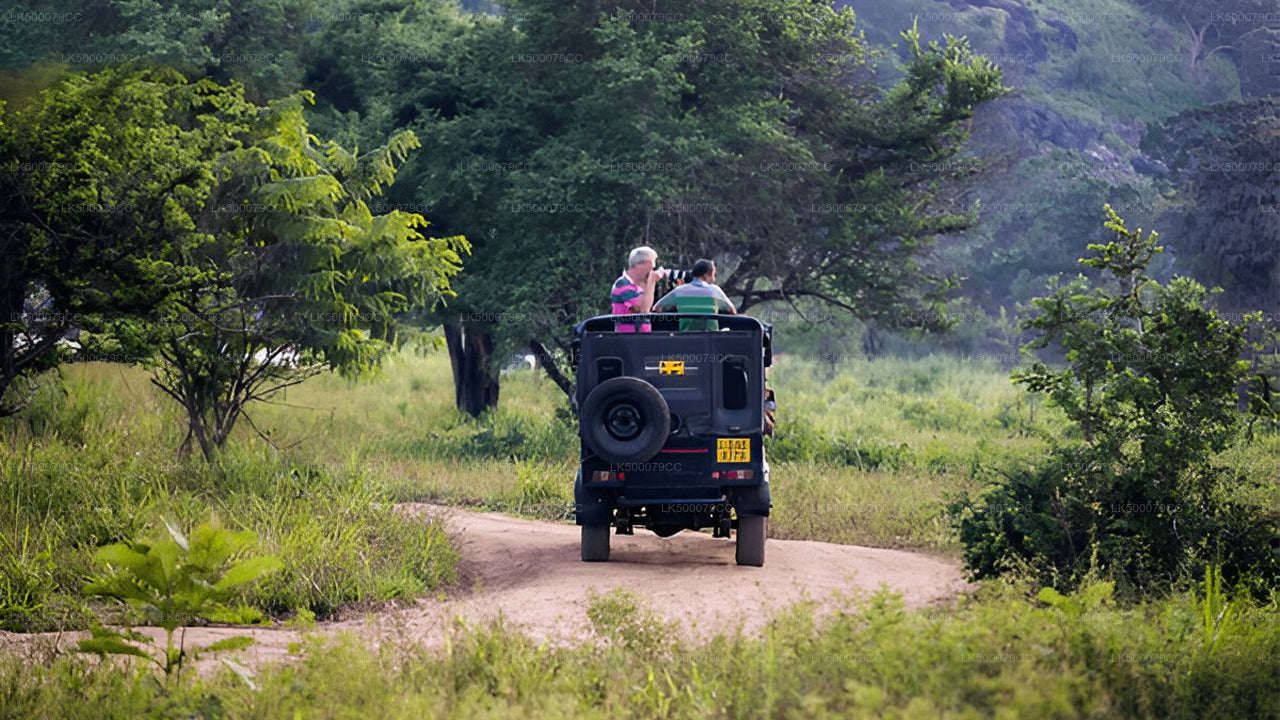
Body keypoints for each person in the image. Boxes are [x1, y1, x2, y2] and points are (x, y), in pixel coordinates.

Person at [652, 258, 737, 317]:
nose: (714, 279)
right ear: (706, 275)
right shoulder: (714, 290)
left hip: (685, 335)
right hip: (710, 336)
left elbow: (657, 308)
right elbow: (732, 311)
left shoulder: (679, 291)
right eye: (713, 275)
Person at [611, 246, 667, 332]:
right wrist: (652, 281)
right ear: (641, 265)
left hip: (641, 337)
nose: (652, 271)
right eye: (651, 267)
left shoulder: (639, 286)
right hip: (627, 337)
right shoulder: (622, 284)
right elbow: (642, 309)